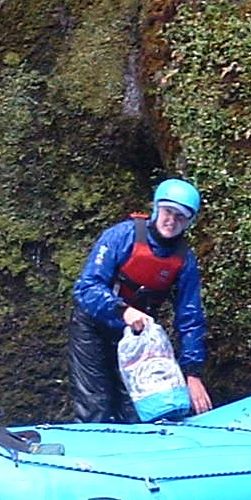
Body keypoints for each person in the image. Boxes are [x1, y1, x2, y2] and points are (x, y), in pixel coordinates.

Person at [68, 179, 213, 422]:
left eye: (181, 216)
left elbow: (190, 318)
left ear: (189, 222)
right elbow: (86, 287)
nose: (171, 221)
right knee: (96, 404)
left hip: (136, 338)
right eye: (168, 211)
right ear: (157, 208)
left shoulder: (184, 260)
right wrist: (122, 310)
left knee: (137, 409)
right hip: (92, 326)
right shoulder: (121, 236)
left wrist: (192, 373)